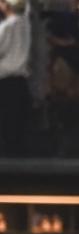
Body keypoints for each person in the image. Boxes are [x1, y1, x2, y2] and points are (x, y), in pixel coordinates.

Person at [0, 0, 32, 156]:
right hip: (21, 81)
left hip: (6, 81)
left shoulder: (6, 27)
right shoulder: (25, 24)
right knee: (19, 123)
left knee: (7, 123)